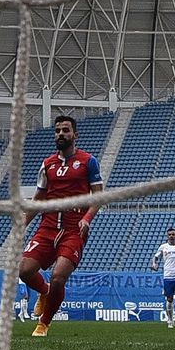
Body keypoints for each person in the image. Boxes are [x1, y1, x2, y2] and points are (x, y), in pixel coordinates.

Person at [18, 115, 105, 338]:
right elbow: (38, 199)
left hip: (73, 228)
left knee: (58, 276)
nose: (60, 134)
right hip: (47, 225)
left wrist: (87, 218)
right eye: (57, 131)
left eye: (65, 130)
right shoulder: (47, 164)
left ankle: (43, 324)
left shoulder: (88, 161)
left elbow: (98, 197)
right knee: (25, 271)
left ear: (75, 135)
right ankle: (45, 292)